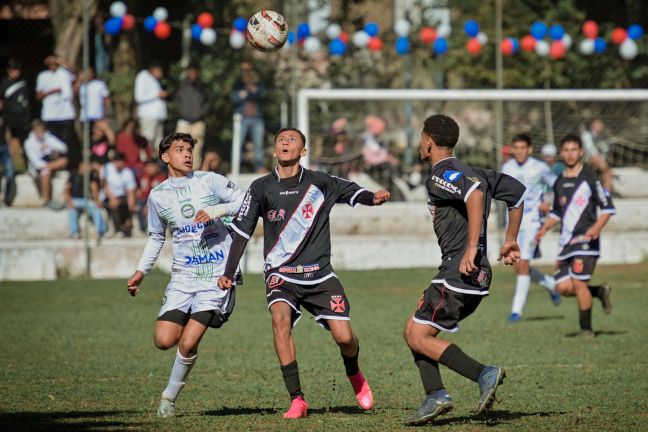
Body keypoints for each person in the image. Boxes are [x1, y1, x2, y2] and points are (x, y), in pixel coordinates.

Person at [216, 127, 390, 419]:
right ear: (274, 151)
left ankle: (355, 374)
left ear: (303, 151)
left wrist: (372, 197)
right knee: (279, 320)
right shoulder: (260, 187)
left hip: (320, 275)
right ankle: (297, 399)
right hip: (280, 274)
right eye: (280, 140)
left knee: (345, 338)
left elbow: (352, 191)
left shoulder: (320, 182)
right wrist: (229, 272)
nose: (285, 142)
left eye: (291, 140)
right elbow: (242, 232)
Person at [402, 114, 526, 426]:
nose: (420, 143)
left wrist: (471, 247)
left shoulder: (441, 174)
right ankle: (435, 394)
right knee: (415, 331)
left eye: (421, 138)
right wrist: (510, 239)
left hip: (459, 271)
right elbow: (518, 194)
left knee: (417, 334)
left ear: (428, 141)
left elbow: (474, 195)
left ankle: (482, 374)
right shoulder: (476, 171)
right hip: (476, 276)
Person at [126, 132, 244, 418]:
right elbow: (156, 236)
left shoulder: (210, 180)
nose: (188, 154)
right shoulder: (158, 196)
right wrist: (141, 272)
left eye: (190, 149)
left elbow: (245, 201)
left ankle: (168, 398)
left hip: (217, 274)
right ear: (165, 157)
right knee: (164, 340)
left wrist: (217, 210)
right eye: (180, 149)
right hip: (183, 276)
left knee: (188, 342)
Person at [536, 134, 615, 338]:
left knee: (579, 283)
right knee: (562, 287)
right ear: (562, 153)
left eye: (574, 149)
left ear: (581, 152)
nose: (570, 153)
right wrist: (544, 228)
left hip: (586, 242)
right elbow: (556, 212)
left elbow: (607, 208)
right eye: (566, 150)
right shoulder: (559, 181)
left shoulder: (590, 178)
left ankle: (586, 329)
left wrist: (596, 228)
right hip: (566, 242)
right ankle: (598, 291)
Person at [501, 135, 560, 323]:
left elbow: (557, 186)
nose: (519, 151)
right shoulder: (507, 168)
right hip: (513, 224)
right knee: (518, 266)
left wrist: (547, 202)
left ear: (529, 149)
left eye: (522, 147)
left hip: (533, 223)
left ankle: (516, 312)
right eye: (516, 147)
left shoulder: (540, 167)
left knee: (524, 264)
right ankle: (551, 285)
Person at [35, 55, 80, 169]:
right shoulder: (43, 76)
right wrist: (52, 91)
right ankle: (55, 165)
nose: (53, 66)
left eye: (55, 63)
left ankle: (67, 166)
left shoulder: (64, 74)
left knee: (66, 143)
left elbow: (75, 72)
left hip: (65, 115)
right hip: (50, 115)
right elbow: (38, 95)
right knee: (53, 143)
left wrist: (62, 61)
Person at [174, 61, 213, 170]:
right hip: (184, 120)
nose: (192, 73)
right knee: (180, 146)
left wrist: (199, 114)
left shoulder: (204, 86)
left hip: (198, 121)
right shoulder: (181, 85)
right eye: (190, 70)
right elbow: (177, 101)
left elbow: (208, 103)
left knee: (196, 147)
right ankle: (180, 170)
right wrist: (182, 113)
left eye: (194, 71)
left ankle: (194, 171)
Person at [24, 120, 68, 208]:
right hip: (37, 167)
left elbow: (63, 147)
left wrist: (50, 147)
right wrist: (47, 166)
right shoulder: (29, 143)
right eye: (38, 131)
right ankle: (46, 200)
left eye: (42, 131)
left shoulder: (48, 137)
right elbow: (35, 162)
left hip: (49, 162)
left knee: (64, 160)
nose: (40, 133)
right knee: (46, 173)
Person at [231, 62, 266, 172]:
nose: (247, 73)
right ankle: (236, 167)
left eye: (249, 71)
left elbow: (264, 95)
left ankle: (259, 167)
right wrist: (245, 92)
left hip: (257, 119)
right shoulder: (237, 85)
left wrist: (255, 90)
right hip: (241, 119)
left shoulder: (258, 84)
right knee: (238, 143)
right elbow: (234, 99)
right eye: (244, 71)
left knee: (258, 144)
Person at [0, 59, 31, 171]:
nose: (15, 73)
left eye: (17, 70)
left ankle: (28, 166)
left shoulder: (23, 81)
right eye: (13, 70)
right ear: (8, 71)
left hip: (23, 119)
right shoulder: (4, 84)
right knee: (11, 144)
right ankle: (11, 168)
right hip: (10, 119)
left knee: (25, 144)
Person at [64, 161, 107, 240]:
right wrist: (69, 201)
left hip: (87, 201)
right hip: (75, 200)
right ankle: (75, 232)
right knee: (72, 209)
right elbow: (66, 190)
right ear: (80, 166)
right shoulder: (73, 175)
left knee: (95, 207)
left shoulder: (91, 177)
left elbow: (94, 189)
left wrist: (97, 201)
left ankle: (101, 231)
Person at [101, 152, 136, 237]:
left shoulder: (128, 172)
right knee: (114, 204)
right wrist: (111, 197)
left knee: (124, 204)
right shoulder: (106, 168)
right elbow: (104, 185)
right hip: (107, 196)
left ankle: (125, 225)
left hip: (121, 197)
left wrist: (131, 209)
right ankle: (118, 230)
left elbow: (131, 192)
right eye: (117, 162)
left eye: (121, 162)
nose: (119, 165)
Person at [134, 62, 167, 151]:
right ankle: (146, 163)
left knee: (158, 144)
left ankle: (156, 164)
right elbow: (139, 97)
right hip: (148, 116)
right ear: (153, 70)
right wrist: (157, 94)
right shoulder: (143, 77)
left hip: (157, 117)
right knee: (147, 142)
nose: (161, 74)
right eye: (159, 71)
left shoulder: (155, 80)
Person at [136, 158, 167, 232]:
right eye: (149, 166)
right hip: (144, 199)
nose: (151, 169)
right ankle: (142, 229)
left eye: (153, 166)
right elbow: (138, 189)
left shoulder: (161, 177)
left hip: (157, 200)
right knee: (139, 207)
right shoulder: (142, 176)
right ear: (145, 168)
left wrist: (148, 206)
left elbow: (161, 194)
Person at [580, 119, 612, 191]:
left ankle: (606, 193)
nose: (600, 126)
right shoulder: (586, 135)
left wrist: (601, 158)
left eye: (601, 124)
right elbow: (590, 150)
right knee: (606, 170)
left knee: (607, 172)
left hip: (597, 160)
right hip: (586, 159)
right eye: (598, 124)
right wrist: (599, 159)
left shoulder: (601, 138)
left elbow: (605, 150)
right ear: (592, 125)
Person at [0, 104, 15, 206]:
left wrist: (11, 147)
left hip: (4, 147)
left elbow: (8, 132)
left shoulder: (5, 116)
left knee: (10, 173)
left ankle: (7, 200)